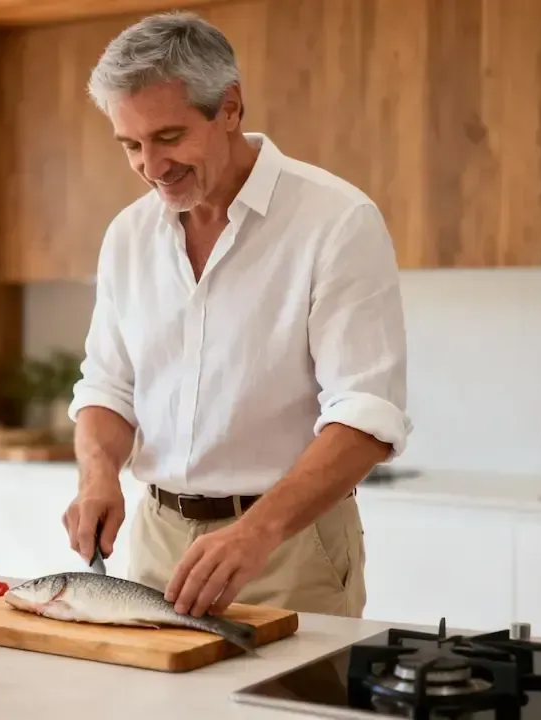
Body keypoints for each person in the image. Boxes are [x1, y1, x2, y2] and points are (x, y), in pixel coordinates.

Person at [61, 11, 411, 620]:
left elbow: (366, 415)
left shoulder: (335, 221)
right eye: (131, 145)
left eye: (169, 137)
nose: (150, 166)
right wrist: (98, 476)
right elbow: (108, 387)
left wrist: (257, 532)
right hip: (154, 542)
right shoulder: (127, 235)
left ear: (229, 108)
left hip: (289, 547)